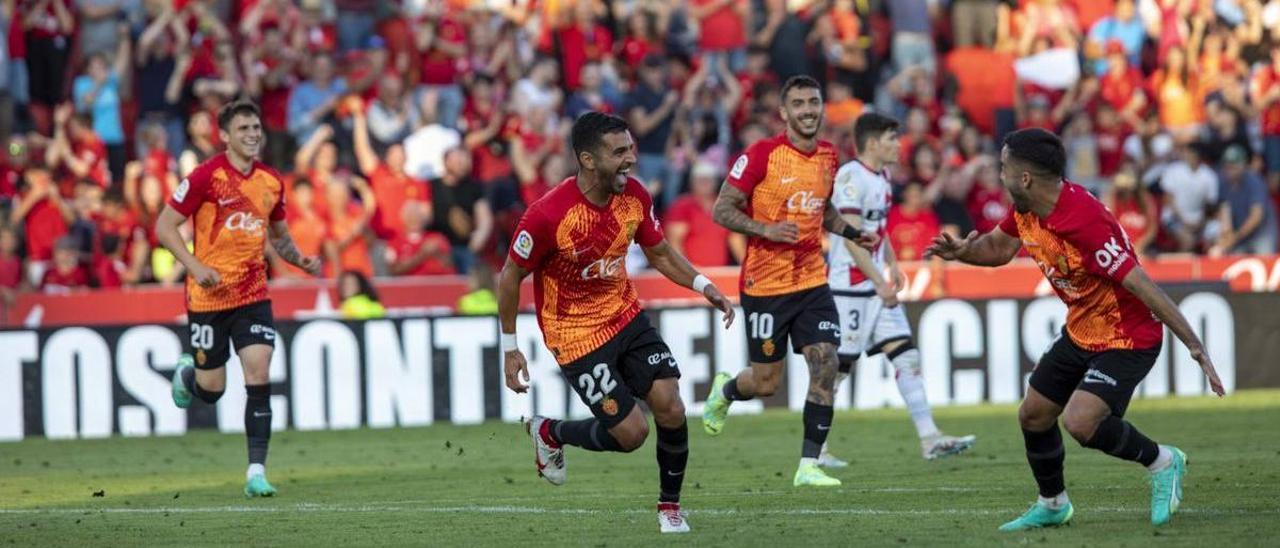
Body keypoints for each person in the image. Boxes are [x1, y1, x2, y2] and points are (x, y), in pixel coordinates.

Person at [924, 128, 1225, 531]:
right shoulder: (1028, 208)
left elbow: (1142, 284)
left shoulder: (1084, 221)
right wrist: (963, 252)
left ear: (1025, 178)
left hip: (1127, 337)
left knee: (1081, 422)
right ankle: (1053, 503)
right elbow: (997, 249)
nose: (1000, 176)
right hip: (1081, 328)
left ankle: (1163, 462)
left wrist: (1195, 346)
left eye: (1004, 169)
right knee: (1033, 415)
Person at [499, 112, 734, 534]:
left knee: (671, 403)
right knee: (631, 434)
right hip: (576, 336)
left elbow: (660, 253)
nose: (631, 158)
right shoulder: (549, 214)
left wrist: (704, 284)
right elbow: (510, 276)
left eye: (630, 147)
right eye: (619, 151)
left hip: (625, 315)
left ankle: (670, 507)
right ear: (588, 160)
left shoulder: (635, 197)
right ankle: (551, 432)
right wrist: (510, 347)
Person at [701, 75, 877, 488]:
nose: (808, 110)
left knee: (827, 362)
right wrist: (764, 229)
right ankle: (725, 392)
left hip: (812, 282)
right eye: (798, 103)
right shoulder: (762, 154)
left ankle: (809, 465)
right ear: (784, 112)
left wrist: (851, 233)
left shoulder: (829, 156)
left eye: (813, 102)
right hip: (765, 287)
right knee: (766, 384)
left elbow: (823, 207)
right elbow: (721, 209)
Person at [156, 100, 321, 498]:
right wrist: (195, 267)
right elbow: (164, 226)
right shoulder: (205, 177)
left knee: (259, 374)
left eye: (256, 127)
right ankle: (188, 374)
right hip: (208, 298)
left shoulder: (270, 181)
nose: (252, 134)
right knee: (212, 391)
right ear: (225, 136)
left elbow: (278, 235)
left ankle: (256, 472)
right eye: (243, 128)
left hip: (252, 295)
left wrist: (298, 259)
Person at [821, 112, 976, 467]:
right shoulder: (850, 177)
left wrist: (891, 263)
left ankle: (930, 438)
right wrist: (878, 279)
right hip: (850, 289)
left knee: (906, 356)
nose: (898, 145)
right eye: (892, 138)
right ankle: (817, 450)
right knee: (837, 371)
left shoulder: (884, 177)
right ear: (873, 143)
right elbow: (852, 239)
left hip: (876, 285)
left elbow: (878, 228)